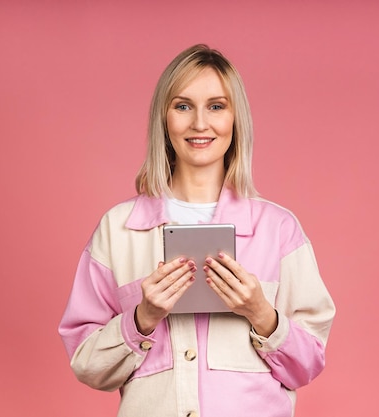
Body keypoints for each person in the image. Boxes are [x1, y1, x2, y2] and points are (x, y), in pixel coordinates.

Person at [58, 44, 335, 417]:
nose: (200, 123)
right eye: (183, 106)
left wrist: (260, 313)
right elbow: (88, 365)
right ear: (164, 118)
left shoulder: (279, 230)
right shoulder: (118, 230)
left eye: (217, 106)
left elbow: (308, 364)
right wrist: (143, 318)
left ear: (236, 120)